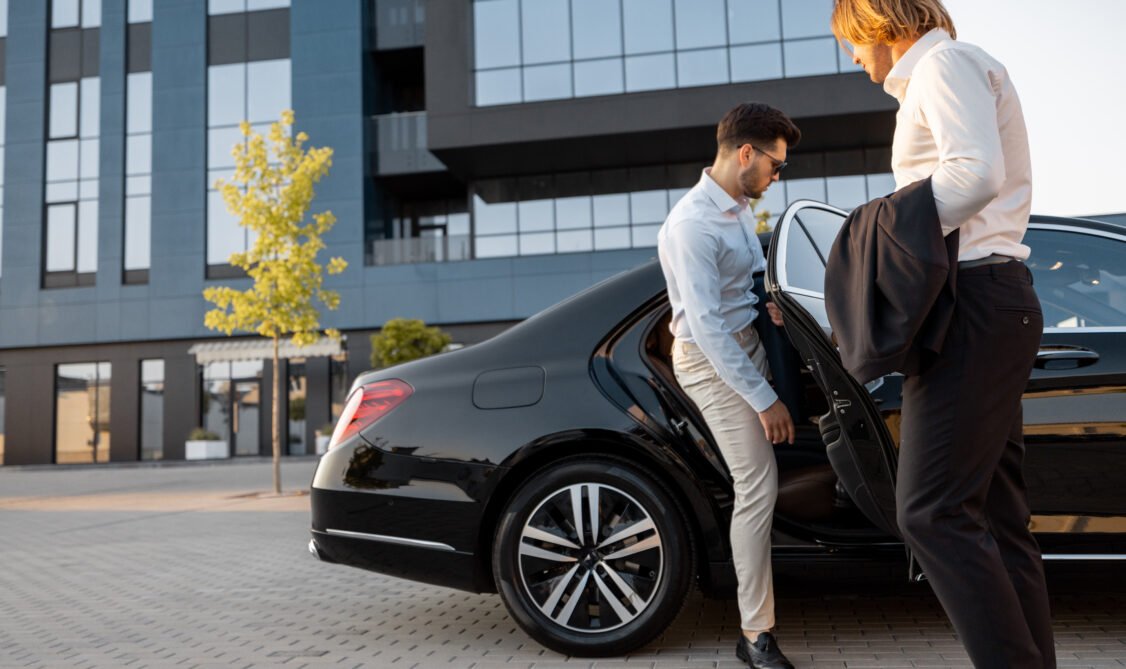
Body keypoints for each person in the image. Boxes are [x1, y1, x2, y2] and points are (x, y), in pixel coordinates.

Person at [830, 1, 1054, 667]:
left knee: (930, 512)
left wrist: (889, 232)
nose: (854, 60)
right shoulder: (959, 66)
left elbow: (974, 174)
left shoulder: (942, 64)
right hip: (993, 300)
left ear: (877, 23)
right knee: (995, 515)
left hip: (975, 304)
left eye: (851, 43)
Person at [657, 102, 800, 669]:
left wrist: (773, 303)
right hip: (709, 360)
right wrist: (764, 400)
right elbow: (707, 328)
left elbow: (741, 286)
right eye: (776, 165)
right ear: (747, 153)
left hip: (748, 343)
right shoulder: (691, 225)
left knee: (777, 462)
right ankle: (755, 634)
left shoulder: (739, 207)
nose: (776, 176)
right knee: (757, 482)